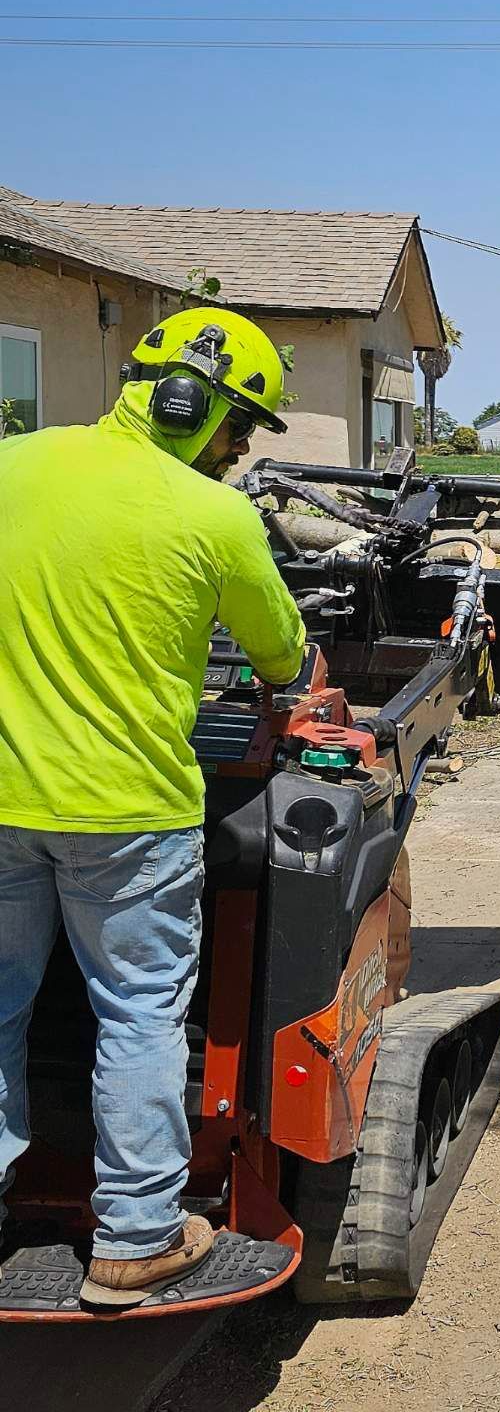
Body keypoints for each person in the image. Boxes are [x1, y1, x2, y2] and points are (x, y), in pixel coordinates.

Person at [0, 307, 306, 1308]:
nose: (240, 452)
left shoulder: (12, 465)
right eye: (239, 429)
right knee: (135, 1016)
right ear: (194, 406)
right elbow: (282, 658)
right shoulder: (216, 517)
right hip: (128, 819)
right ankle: (134, 1238)